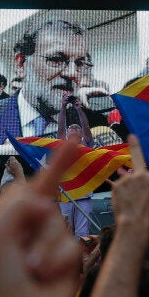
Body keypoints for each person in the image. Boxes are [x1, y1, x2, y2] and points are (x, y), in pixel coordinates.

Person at [0, 19, 108, 144]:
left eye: (79, 63)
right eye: (56, 59)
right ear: (21, 64)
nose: (72, 73)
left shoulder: (90, 120)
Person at [57, 95, 94, 237]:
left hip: (83, 195)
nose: (73, 128)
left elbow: (86, 127)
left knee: (82, 233)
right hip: (66, 195)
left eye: (76, 128)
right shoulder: (62, 146)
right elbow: (60, 128)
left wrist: (79, 109)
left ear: (81, 136)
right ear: (66, 134)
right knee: (65, 232)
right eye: (70, 128)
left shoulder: (86, 145)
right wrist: (63, 106)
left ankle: (83, 259)